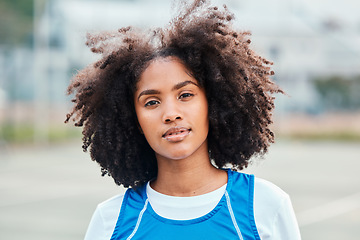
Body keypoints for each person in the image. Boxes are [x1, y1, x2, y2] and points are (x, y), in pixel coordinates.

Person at [65, 0, 301, 239]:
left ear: (214, 102)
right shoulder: (110, 221)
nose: (170, 114)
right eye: (151, 102)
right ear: (134, 120)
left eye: (185, 95)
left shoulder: (266, 206)